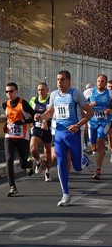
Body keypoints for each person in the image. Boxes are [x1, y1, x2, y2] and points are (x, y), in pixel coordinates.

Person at [35, 70, 94, 207]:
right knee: (60, 163)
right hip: (60, 134)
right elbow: (50, 112)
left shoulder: (75, 94)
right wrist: (41, 116)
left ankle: (83, 159)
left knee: (77, 167)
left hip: (74, 134)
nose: (59, 83)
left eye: (62, 80)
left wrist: (78, 125)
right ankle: (65, 195)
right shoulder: (54, 95)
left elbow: (90, 113)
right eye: (57, 80)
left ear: (69, 81)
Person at [2, 82, 35, 197]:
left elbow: (35, 117)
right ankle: (12, 187)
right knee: (9, 159)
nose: (9, 94)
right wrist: (5, 125)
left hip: (22, 136)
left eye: (11, 91)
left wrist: (23, 122)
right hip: (10, 136)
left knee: (22, 164)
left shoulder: (23, 103)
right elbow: (8, 118)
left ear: (16, 91)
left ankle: (29, 164)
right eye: (6, 92)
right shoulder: (5, 105)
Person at [86, 74, 112, 180]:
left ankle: (98, 170)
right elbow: (81, 104)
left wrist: (110, 111)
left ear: (105, 83)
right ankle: (96, 153)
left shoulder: (110, 93)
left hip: (105, 121)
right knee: (94, 148)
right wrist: (89, 106)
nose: (100, 83)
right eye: (98, 81)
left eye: (102, 81)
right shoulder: (90, 92)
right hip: (92, 122)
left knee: (100, 142)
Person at [29, 83, 52, 181]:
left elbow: (53, 113)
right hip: (37, 128)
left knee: (47, 152)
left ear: (47, 90)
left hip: (48, 129)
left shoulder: (51, 100)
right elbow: (29, 112)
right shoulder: (34, 100)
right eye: (39, 90)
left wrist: (45, 121)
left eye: (42, 90)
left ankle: (48, 171)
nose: (40, 92)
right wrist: (32, 117)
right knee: (33, 149)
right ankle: (38, 161)